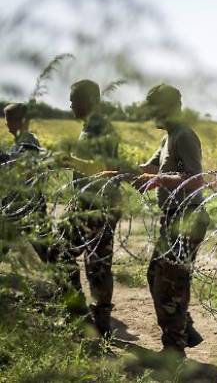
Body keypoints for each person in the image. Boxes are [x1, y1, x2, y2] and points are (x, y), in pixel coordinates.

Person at [134, 83, 209, 358]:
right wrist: (120, 170)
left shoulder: (184, 136)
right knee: (156, 274)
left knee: (171, 284)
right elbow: (151, 168)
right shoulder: (168, 137)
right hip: (173, 219)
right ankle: (184, 329)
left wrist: (159, 179)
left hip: (187, 219)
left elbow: (195, 178)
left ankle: (174, 350)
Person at [54, 80, 122, 336]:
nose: (71, 105)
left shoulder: (101, 128)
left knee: (95, 265)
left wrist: (69, 160)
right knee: (65, 254)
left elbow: (101, 168)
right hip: (84, 202)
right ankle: (83, 318)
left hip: (98, 204)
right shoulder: (89, 128)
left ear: (89, 101)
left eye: (74, 100)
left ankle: (94, 324)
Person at [0, 102, 52, 262]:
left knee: (47, 250)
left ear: (21, 121)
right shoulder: (21, 142)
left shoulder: (28, 142)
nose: (6, 123)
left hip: (27, 204)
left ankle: (68, 281)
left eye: (10, 119)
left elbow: (27, 171)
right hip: (19, 202)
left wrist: (5, 160)